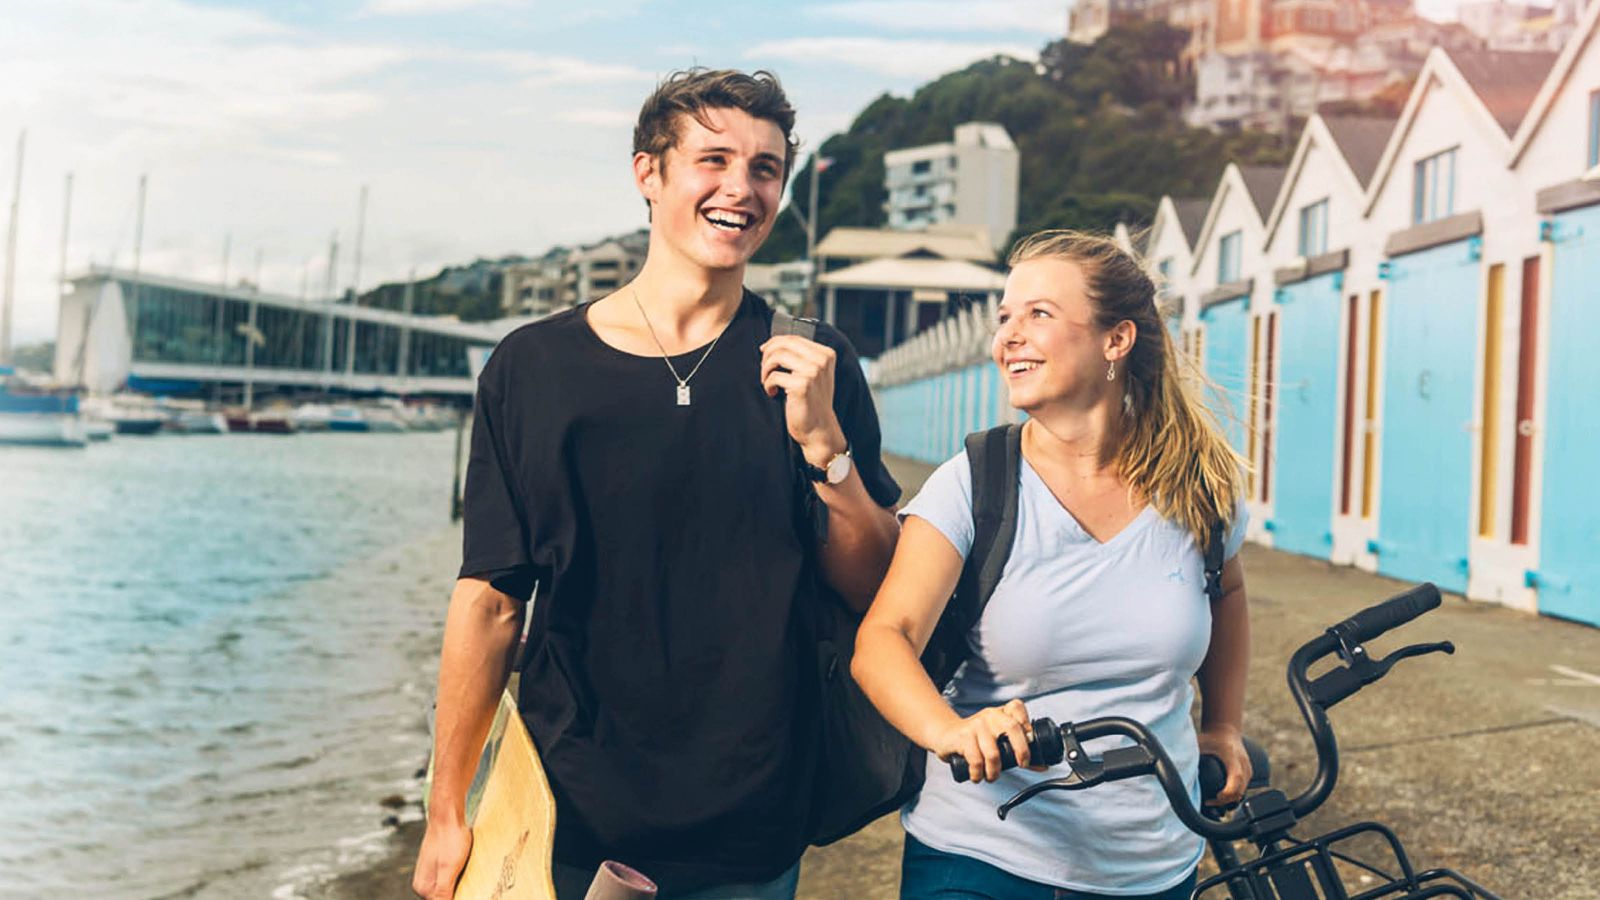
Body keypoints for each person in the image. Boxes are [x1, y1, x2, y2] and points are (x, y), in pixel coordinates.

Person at [411, 69, 902, 900]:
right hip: (563, 810)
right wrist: (446, 808)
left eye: (765, 169)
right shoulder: (532, 368)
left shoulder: (816, 363)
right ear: (649, 173)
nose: (741, 189)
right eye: (713, 160)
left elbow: (872, 585)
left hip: (753, 817)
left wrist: (829, 449)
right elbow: (492, 600)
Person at [851, 230, 1253, 899]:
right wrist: (951, 731)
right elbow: (883, 641)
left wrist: (1223, 725)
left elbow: (1227, 594)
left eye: (1038, 314)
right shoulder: (974, 484)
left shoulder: (1198, 488)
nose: (1007, 336)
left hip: (1154, 863)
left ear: (1115, 340)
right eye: (1004, 316)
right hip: (984, 855)